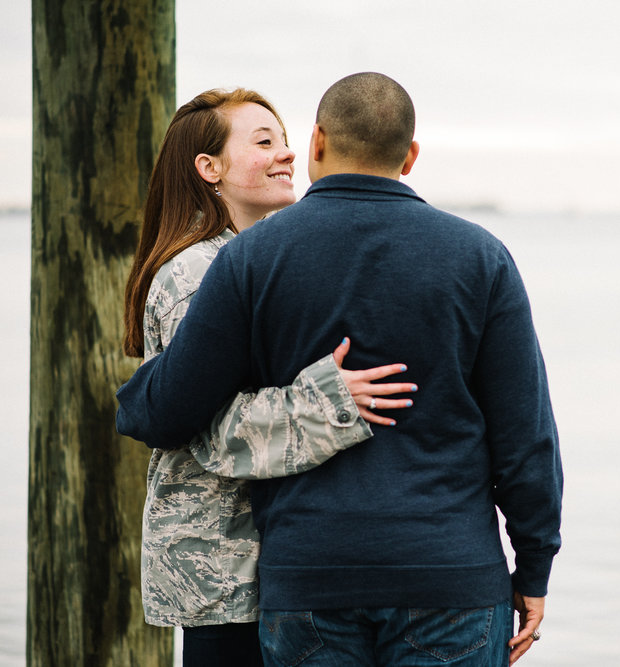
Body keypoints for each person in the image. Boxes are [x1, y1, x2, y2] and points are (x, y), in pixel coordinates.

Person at [117, 72, 562, 666]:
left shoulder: (251, 260)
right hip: (450, 574)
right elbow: (526, 437)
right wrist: (533, 566)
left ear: (319, 141)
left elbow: (169, 408)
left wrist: (134, 394)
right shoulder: (480, 256)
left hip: (309, 575)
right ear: (410, 156)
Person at [121, 88, 416, 666]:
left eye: (285, 140)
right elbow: (204, 426)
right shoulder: (195, 270)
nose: (286, 154)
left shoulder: (261, 258)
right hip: (222, 570)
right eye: (263, 142)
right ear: (209, 168)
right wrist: (334, 401)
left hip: (276, 567)